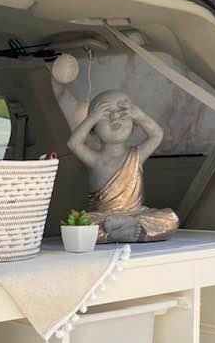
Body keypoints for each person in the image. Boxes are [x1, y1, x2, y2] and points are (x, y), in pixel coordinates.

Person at [64, 89, 179, 242]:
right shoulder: (95, 159)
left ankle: (123, 228)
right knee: (82, 225)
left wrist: (140, 115)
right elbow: (73, 143)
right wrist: (92, 118)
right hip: (104, 217)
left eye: (122, 113)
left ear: (134, 124)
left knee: (170, 219)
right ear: (94, 129)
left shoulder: (136, 155)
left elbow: (157, 134)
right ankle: (118, 232)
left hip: (135, 214)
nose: (115, 117)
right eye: (106, 114)